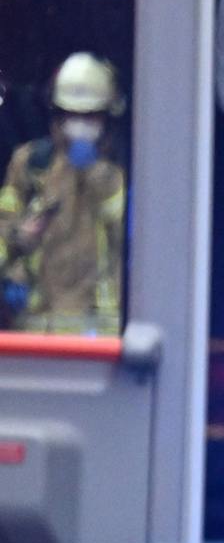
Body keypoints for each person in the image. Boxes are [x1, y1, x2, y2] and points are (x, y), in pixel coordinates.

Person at [0, 53, 126, 335]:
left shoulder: (122, 172)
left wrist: (95, 173)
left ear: (107, 116)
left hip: (97, 334)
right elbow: (4, 229)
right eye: (71, 114)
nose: (79, 122)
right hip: (35, 329)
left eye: (90, 115)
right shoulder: (31, 163)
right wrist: (19, 241)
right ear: (57, 113)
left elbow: (127, 238)